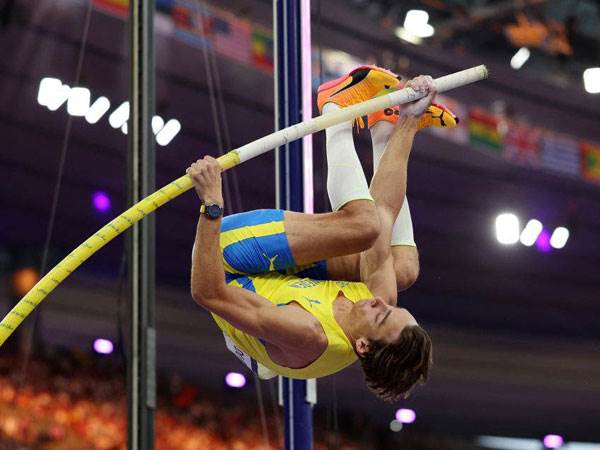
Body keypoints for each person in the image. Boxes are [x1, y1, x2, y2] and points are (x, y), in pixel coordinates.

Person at [187, 66, 457, 401]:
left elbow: (207, 293)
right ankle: (382, 124)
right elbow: (386, 210)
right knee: (402, 267)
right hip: (285, 286)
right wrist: (408, 121)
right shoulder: (377, 304)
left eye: (382, 313)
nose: (378, 301)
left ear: (361, 345)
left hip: (227, 267)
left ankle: (335, 107)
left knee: (363, 227)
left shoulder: (307, 334)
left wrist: (212, 204)